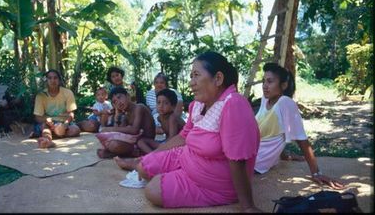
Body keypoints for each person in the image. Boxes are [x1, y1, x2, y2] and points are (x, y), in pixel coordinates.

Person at [114, 51, 261, 212]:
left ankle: (175, 175)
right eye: (191, 76)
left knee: (153, 191)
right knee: (144, 166)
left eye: (196, 75)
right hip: (185, 157)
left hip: (213, 182)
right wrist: (150, 156)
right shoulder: (198, 104)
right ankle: (154, 165)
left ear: (218, 78)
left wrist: (248, 207)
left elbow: (237, 160)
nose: (191, 82)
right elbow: (183, 136)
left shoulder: (233, 104)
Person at [254, 62, 345, 190]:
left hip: (255, 162)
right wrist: (284, 155)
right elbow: (272, 132)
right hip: (248, 151)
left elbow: (302, 141)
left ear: (283, 85)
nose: (265, 86)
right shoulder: (265, 100)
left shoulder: (286, 103)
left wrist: (316, 173)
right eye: (263, 81)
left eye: (270, 82)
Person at [96, 86, 155, 159]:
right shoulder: (126, 114)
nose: (118, 102)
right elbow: (120, 133)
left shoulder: (139, 107)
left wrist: (110, 129)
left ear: (128, 96)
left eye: (119, 97)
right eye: (115, 102)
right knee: (110, 144)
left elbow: (134, 130)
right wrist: (117, 116)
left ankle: (131, 153)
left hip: (146, 142)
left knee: (114, 145)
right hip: (135, 142)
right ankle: (129, 153)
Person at [31, 69, 81, 148]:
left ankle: (56, 133)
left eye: (55, 78)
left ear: (59, 80)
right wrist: (47, 120)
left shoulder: (68, 93)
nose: (52, 80)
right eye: (50, 78)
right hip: (48, 123)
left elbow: (71, 113)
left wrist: (65, 125)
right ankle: (48, 141)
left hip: (63, 122)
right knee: (45, 128)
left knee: (75, 130)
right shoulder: (40, 95)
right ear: (46, 80)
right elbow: (37, 117)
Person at [137, 88, 186, 154]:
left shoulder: (172, 117)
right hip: (166, 142)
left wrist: (162, 146)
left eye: (165, 103)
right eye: (158, 102)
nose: (161, 106)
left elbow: (172, 138)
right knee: (141, 141)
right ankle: (153, 155)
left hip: (177, 145)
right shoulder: (159, 118)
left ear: (173, 106)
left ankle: (154, 156)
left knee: (161, 146)